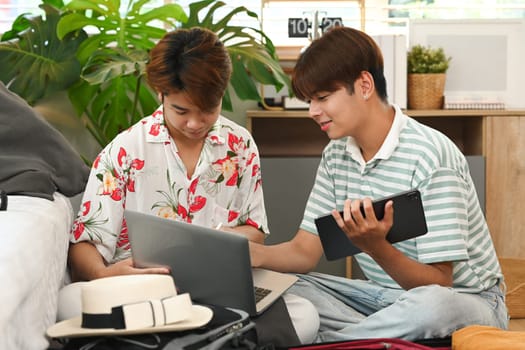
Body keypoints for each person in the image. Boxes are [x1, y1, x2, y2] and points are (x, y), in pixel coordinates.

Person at [248, 26, 508, 342]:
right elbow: (304, 252)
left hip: (467, 301)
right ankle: (368, 337)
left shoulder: (430, 155)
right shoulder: (336, 155)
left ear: (365, 85)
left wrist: (376, 247)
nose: (313, 112)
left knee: (430, 306)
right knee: (280, 283)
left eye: (322, 98)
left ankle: (334, 342)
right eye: (309, 101)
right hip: (380, 300)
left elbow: (440, 282)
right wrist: (252, 256)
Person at [59, 27, 318, 344]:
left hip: (217, 289)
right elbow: (84, 245)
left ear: (221, 94)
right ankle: (214, 337)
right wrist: (103, 274)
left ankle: (178, 338)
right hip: (142, 292)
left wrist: (211, 246)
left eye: (207, 110)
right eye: (181, 111)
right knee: (68, 302)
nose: (195, 124)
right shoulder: (124, 151)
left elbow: (255, 231)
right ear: (161, 93)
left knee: (305, 314)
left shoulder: (240, 146)